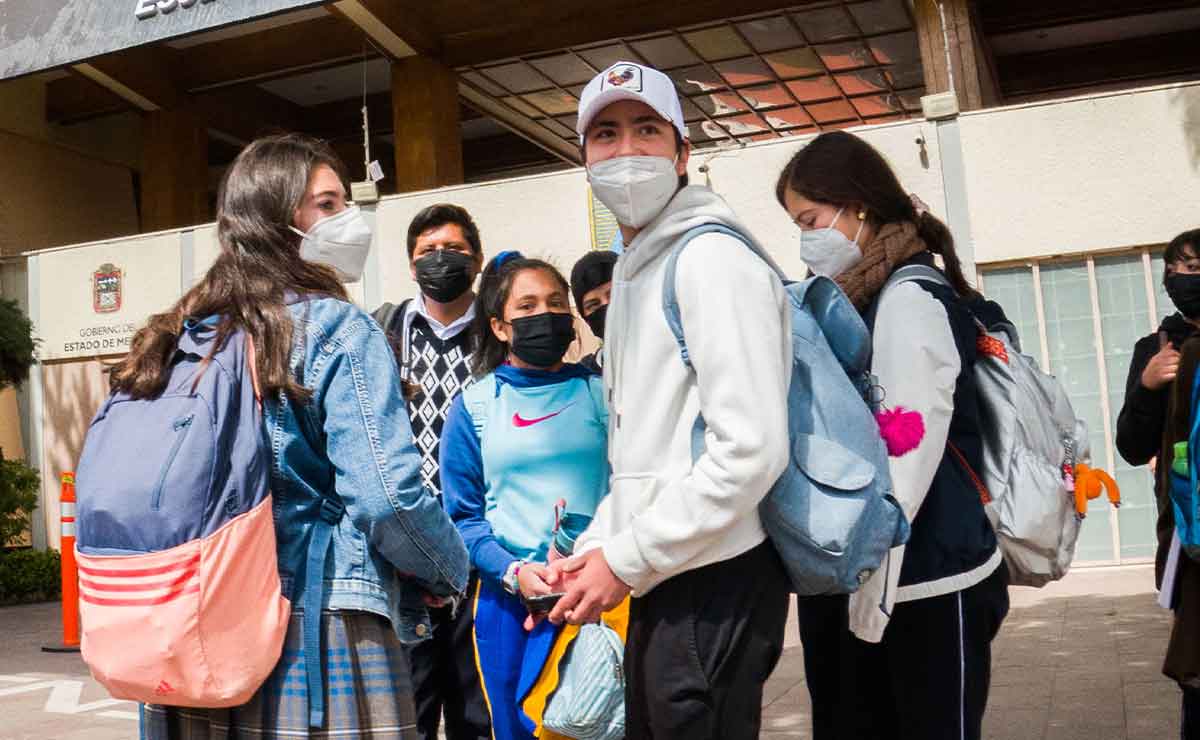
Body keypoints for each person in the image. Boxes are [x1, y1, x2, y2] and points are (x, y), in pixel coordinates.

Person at [129, 134, 469, 739]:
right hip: (316, 625)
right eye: (330, 205)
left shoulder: (182, 336)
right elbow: (387, 498)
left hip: (191, 624)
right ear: (281, 220)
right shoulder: (336, 327)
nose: (350, 220)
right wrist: (448, 569)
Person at [547, 61, 793, 739]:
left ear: (684, 152)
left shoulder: (710, 260)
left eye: (646, 130)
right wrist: (597, 546)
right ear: (585, 162)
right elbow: (647, 451)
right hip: (667, 573)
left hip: (712, 579)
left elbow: (751, 448)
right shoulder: (636, 269)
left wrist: (625, 560)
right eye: (606, 135)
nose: (626, 152)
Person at [776, 130, 1009, 740]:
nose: (805, 239)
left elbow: (905, 454)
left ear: (859, 207)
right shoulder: (863, 298)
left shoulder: (907, 299)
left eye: (810, 218)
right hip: (888, 574)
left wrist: (859, 571)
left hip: (927, 578)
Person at [440, 251, 610, 740]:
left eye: (556, 303)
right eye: (528, 306)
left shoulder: (603, 393)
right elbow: (464, 520)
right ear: (499, 327)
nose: (545, 315)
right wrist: (515, 574)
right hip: (511, 609)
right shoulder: (473, 407)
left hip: (599, 597)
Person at [373, 204, 490, 740]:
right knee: (409, 712)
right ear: (411, 265)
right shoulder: (383, 334)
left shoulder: (498, 334)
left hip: (479, 550)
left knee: (477, 710)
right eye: (427, 252)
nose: (440, 260)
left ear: (479, 259)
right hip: (406, 556)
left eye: (454, 250)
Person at [1116, 228, 1200, 739]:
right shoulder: (1157, 346)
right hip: (1186, 536)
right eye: (1173, 269)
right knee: (1195, 666)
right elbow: (1130, 447)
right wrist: (1148, 385)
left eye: (1193, 268)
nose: (1181, 279)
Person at [569, 250, 617, 373]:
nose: (607, 306)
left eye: (614, 295)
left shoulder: (669, 356)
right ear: (584, 317)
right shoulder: (584, 377)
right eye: (594, 305)